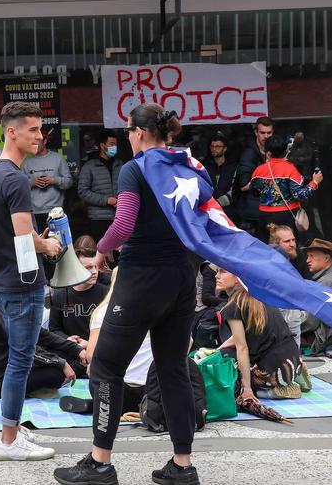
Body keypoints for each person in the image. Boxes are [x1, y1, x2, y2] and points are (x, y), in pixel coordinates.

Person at [54, 104, 200, 485]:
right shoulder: (187, 166)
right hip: (183, 276)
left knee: (104, 366)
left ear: (136, 132)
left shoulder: (136, 169)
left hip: (143, 277)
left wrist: (101, 249)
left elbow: (124, 222)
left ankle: (100, 462)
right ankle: (182, 465)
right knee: (173, 369)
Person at [0, 101, 62, 461]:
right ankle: (9, 440)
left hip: (2, 278)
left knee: (18, 359)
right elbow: (25, 237)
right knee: (20, 362)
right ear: (11, 131)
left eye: (41, 130)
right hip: (20, 281)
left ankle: (11, 431)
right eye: (32, 129)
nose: (39, 136)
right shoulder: (13, 177)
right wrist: (51, 245)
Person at [59, 270, 153, 416]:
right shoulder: (155, 309)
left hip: (114, 392)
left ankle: (100, 406)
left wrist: (91, 352)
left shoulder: (103, 311)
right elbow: (187, 342)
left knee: (96, 370)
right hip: (151, 392)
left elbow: (91, 355)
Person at [215, 266, 303, 400]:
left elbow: (242, 348)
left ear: (238, 279)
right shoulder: (259, 296)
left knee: (226, 371)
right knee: (222, 353)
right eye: (217, 272)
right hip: (294, 360)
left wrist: (247, 389)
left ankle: (271, 392)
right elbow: (240, 337)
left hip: (274, 372)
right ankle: (293, 377)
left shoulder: (234, 307)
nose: (217, 276)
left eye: (222, 271)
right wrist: (216, 350)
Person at [0, 309, 85, 399]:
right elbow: (25, 349)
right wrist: (61, 363)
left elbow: (44, 336)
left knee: (64, 356)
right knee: (56, 374)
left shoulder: (20, 308)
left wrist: (77, 349)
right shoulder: (7, 311)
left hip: (13, 369)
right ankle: (33, 391)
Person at [48, 241, 108, 377]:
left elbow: (114, 331)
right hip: (71, 357)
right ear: (75, 269)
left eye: (95, 267)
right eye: (87, 268)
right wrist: (67, 340)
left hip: (99, 357)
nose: (94, 272)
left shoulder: (107, 294)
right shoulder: (60, 295)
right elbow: (54, 329)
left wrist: (90, 344)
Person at [251, 134, 323, 243]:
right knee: (288, 248)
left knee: (268, 248)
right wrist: (315, 182)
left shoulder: (258, 171)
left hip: (264, 216)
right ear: (285, 151)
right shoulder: (290, 169)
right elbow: (300, 195)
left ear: (268, 153)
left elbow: (255, 192)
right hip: (286, 216)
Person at [22, 129, 74, 234]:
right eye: (32, 143)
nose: (35, 145)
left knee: (58, 246)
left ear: (45, 141)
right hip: (34, 212)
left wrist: (54, 180)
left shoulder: (58, 158)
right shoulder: (26, 162)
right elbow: (19, 187)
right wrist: (32, 182)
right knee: (38, 247)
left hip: (56, 212)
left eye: (37, 142)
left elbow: (69, 182)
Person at [77, 129, 123, 243]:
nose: (114, 147)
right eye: (111, 144)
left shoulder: (120, 165)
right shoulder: (89, 166)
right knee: (102, 255)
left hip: (120, 217)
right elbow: (83, 192)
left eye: (116, 145)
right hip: (99, 219)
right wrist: (107, 200)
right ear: (102, 145)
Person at [237, 116, 274, 234]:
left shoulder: (271, 150)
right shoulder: (249, 154)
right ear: (256, 132)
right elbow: (243, 185)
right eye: (262, 132)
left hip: (267, 210)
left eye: (269, 133)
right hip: (251, 213)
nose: (266, 136)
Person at [300, 238, 332, 356]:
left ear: (327, 258)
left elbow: (310, 323)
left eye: (312, 256)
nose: (308, 260)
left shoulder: (324, 283)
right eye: (308, 256)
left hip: (322, 339)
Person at [203, 134, 238, 223]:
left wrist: (217, 203)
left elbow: (234, 190)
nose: (214, 149)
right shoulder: (205, 166)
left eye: (218, 146)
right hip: (209, 211)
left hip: (229, 212)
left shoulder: (233, 167)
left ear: (225, 148)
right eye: (212, 146)